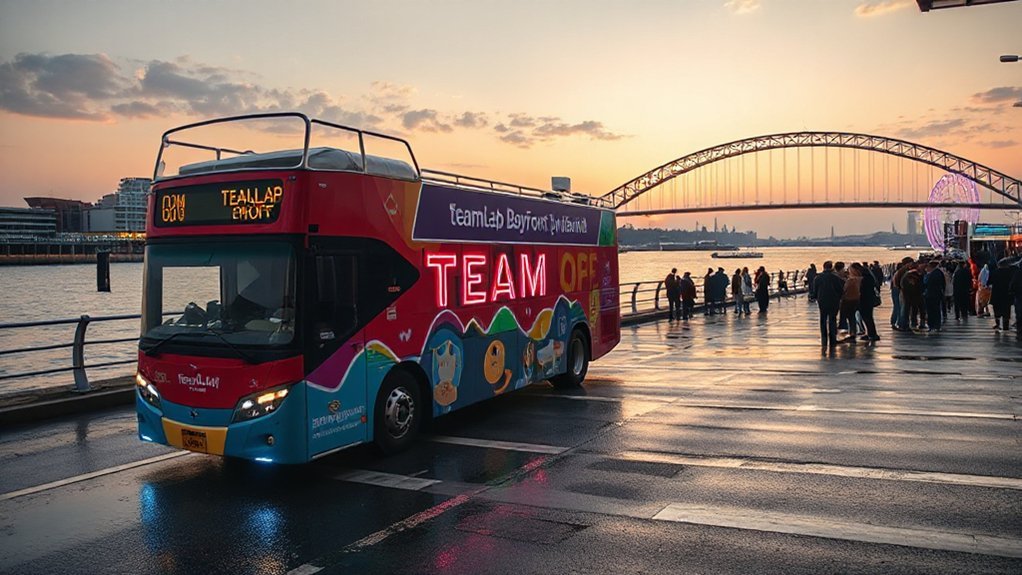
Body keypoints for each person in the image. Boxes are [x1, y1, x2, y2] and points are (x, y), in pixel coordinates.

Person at [814, 261, 845, 348]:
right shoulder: (835, 278)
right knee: (832, 320)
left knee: (823, 320)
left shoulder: (818, 278)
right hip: (833, 302)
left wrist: (817, 298)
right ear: (831, 267)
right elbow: (841, 290)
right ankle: (832, 338)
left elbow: (814, 291)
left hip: (822, 301)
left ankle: (824, 338)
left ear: (823, 267)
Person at [855, 262, 880, 341]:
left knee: (867, 317)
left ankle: (872, 334)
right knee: (868, 317)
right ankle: (870, 333)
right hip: (868, 299)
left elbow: (863, 290)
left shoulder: (864, 278)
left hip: (865, 300)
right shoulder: (869, 276)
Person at [990, 258, 1014, 331]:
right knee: (1006, 311)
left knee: (997, 311)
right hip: (1007, 295)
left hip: (996, 295)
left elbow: (989, 281)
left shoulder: (995, 272)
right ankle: (1005, 326)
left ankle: (997, 324)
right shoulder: (1010, 272)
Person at [839, 265, 862, 340]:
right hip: (856, 299)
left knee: (850, 317)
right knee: (852, 317)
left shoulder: (851, 280)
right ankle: (853, 332)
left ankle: (852, 333)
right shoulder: (860, 279)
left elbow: (845, 289)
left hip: (849, 300)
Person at [890, 257, 913, 330]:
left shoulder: (900, 271)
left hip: (896, 289)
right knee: (900, 307)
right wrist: (901, 289)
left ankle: (895, 322)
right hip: (898, 290)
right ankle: (900, 323)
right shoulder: (903, 271)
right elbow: (898, 282)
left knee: (897, 307)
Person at [923, 261, 945, 332]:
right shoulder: (939, 273)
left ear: (930, 267)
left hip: (930, 295)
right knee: (936, 310)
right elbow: (943, 283)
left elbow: (926, 283)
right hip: (937, 294)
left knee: (931, 311)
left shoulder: (931, 275)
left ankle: (932, 325)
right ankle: (936, 325)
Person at [1009, 259, 1022, 342]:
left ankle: (1020, 333)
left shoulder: (1018, 273)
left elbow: (1012, 286)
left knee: (1020, 316)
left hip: (1019, 297)